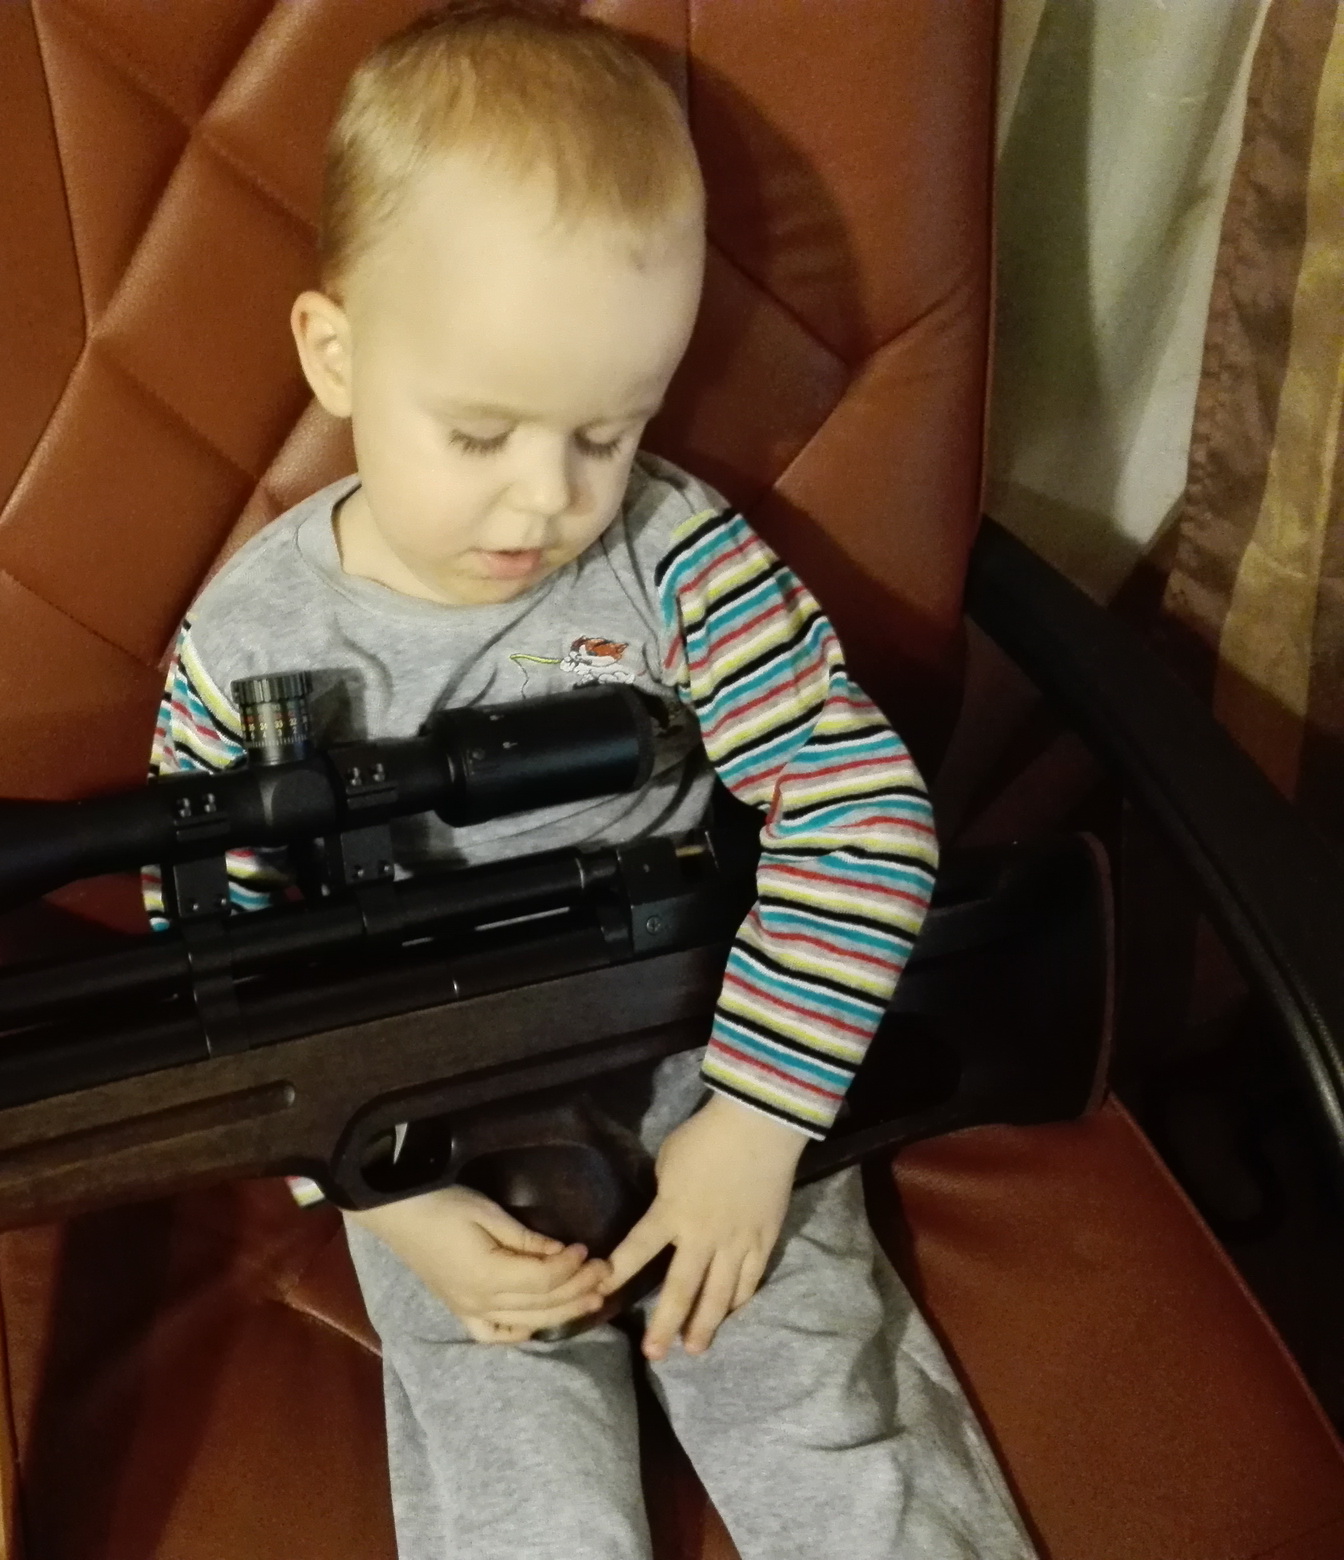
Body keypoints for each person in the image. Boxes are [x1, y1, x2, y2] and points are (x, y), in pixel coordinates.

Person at [144, 5, 1035, 1556]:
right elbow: (219, 968)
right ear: (337, 355)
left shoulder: (676, 561)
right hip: (429, 1128)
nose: (546, 501)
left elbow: (857, 806)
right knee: (529, 1511)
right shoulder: (248, 650)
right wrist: (388, 1205)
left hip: (710, 1053)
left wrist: (758, 1122)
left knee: (832, 1445)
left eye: (608, 432)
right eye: (479, 432)